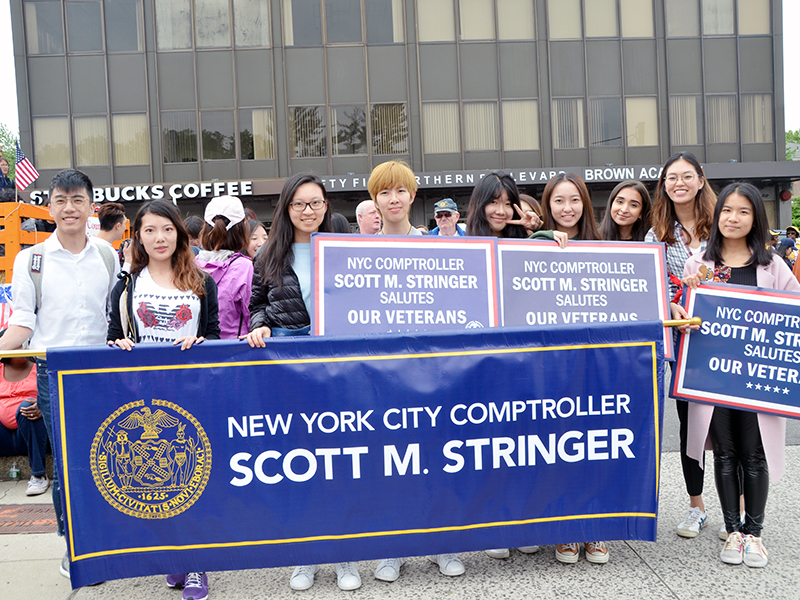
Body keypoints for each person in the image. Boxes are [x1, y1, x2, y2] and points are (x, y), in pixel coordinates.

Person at [243, 174, 362, 591]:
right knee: (299, 464)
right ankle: (304, 554)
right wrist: (259, 327)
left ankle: (345, 555)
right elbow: (257, 305)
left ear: (327, 206)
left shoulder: (349, 251)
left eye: (315, 203)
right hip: (290, 371)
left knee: (340, 463)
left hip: (340, 370)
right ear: (286, 209)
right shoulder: (269, 255)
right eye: (298, 204)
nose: (307, 211)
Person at [0, 169, 120, 579]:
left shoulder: (108, 255)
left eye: (77, 200)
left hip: (103, 371)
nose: (69, 208)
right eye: (60, 200)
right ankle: (75, 546)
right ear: (50, 206)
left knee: (107, 456)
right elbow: (22, 320)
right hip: (57, 374)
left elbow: (113, 315)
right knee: (69, 463)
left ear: (91, 206)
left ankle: (105, 537)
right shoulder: (30, 260)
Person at [681, 182, 800, 568]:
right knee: (726, 453)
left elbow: (793, 316)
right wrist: (686, 307)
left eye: (744, 211)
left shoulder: (773, 265)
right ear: (717, 217)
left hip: (758, 379)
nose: (733, 218)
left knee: (756, 454)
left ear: (756, 218)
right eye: (727, 210)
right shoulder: (698, 264)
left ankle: (755, 535)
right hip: (714, 379)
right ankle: (732, 531)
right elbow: (684, 316)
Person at [107, 199, 220, 600]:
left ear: (179, 233)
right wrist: (119, 343)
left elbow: (216, 335)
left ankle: (195, 564)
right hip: (146, 399)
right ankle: (173, 557)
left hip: (193, 392)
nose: (159, 238)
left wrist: (202, 342)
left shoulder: (201, 281)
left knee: (192, 477)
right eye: (150, 230)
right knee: (159, 485)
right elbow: (112, 334)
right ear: (137, 235)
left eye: (167, 229)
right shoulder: (127, 284)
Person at [645, 151, 716, 538]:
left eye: (686, 176)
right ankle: (696, 505)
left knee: (732, 421)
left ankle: (740, 513)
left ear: (701, 179)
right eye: (671, 178)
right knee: (690, 420)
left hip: (724, 338)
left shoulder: (722, 225)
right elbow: (651, 283)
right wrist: (669, 298)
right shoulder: (656, 233)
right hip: (681, 339)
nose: (679, 183)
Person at [195, 195, 253, 339]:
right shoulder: (245, 267)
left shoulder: (193, 266)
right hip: (237, 352)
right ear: (242, 228)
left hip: (199, 351)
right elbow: (252, 316)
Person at [0, 331, 49, 497]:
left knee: (27, 405)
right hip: (4, 437)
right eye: (19, 343)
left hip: (32, 434)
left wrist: (42, 406)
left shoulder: (40, 368)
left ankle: (38, 475)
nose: (24, 347)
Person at [465, 172, 546, 239]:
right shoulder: (462, 245)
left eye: (508, 204)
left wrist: (539, 229)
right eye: (493, 202)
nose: (501, 211)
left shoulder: (524, 243)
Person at [539, 173, 600, 242]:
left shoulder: (602, 243)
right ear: (548, 204)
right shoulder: (537, 242)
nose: (567, 209)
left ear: (584, 203)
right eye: (559, 200)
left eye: (575, 200)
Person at [369, 161, 424, 237]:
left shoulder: (432, 245)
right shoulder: (368, 247)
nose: (394, 200)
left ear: (412, 196)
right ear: (375, 201)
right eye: (385, 192)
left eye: (401, 191)